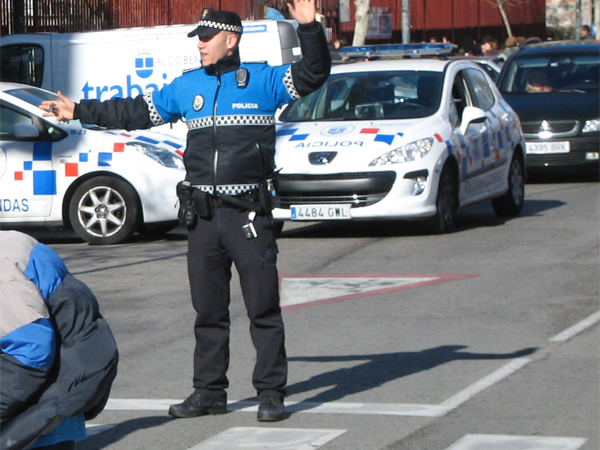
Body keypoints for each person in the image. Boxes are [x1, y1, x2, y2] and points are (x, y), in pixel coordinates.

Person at [41, 0, 330, 423]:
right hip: (203, 218)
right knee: (208, 313)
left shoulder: (264, 81)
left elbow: (312, 74)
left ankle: (271, 393)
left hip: (248, 216)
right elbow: (137, 112)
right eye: (197, 39)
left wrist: (309, 27)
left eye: (207, 38)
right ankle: (209, 392)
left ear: (231, 41)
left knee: (262, 310)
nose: (200, 45)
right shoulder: (187, 85)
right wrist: (80, 112)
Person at [0, 230, 118, 450]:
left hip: (43, 398)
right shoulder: (11, 241)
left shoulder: (3, 271)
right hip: (61, 377)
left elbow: (30, 354)